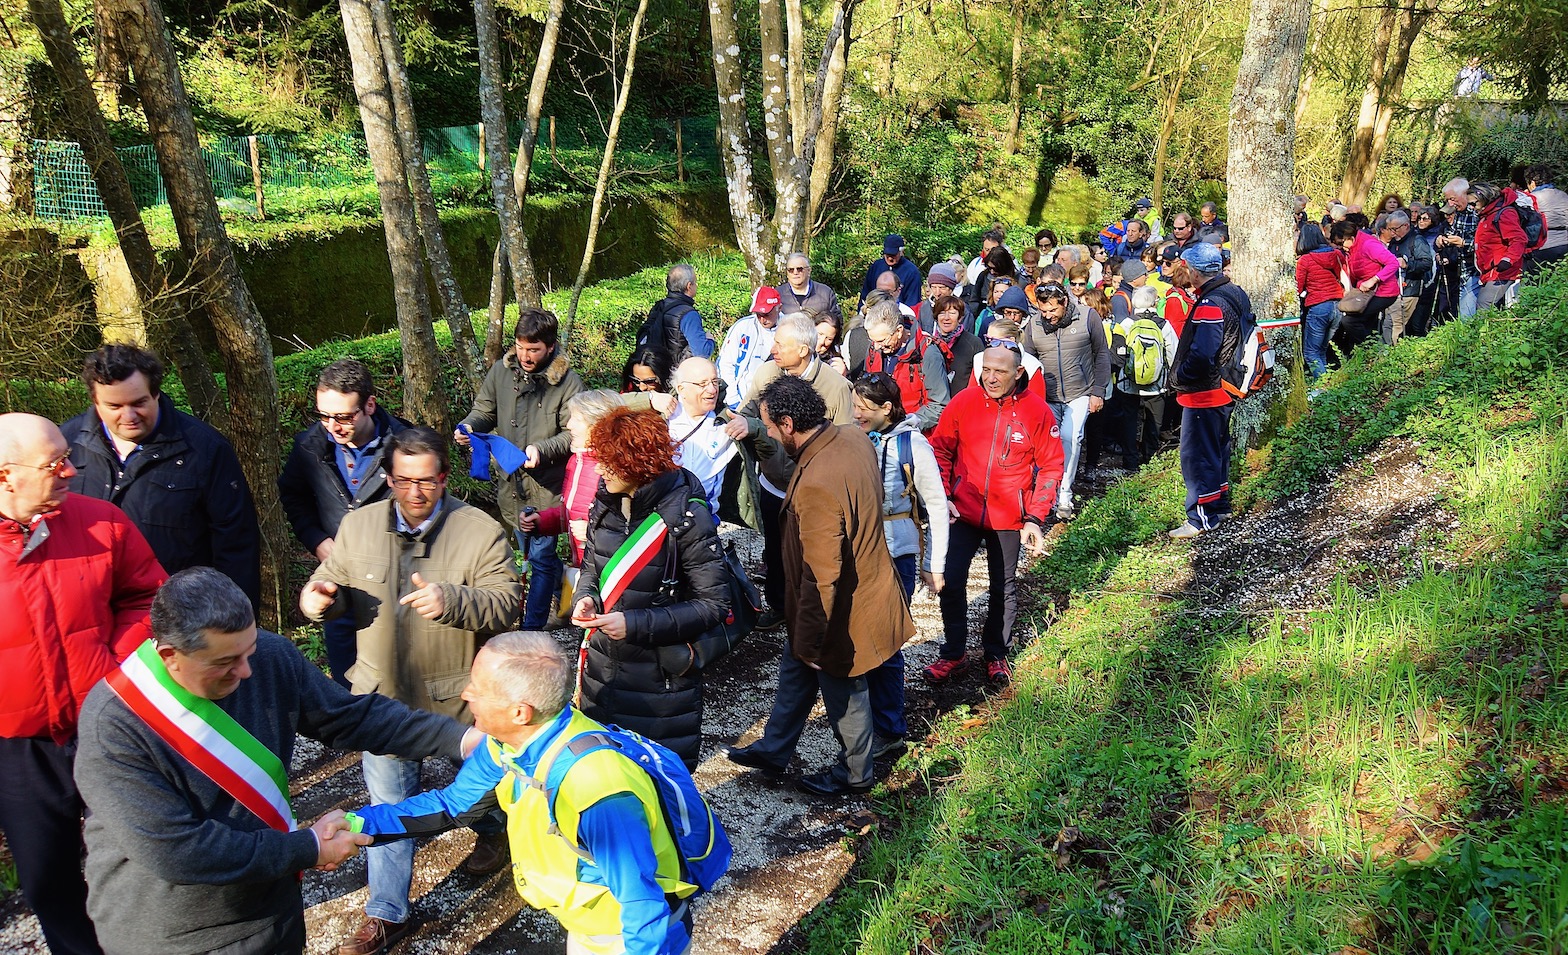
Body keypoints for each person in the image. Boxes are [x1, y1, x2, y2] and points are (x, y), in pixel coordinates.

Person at [75, 568, 478, 955]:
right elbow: (180, 850)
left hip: (272, 907)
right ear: (170, 655)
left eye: (249, 650)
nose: (247, 671)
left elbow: (350, 717)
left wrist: (459, 739)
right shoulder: (113, 725)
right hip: (174, 934)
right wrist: (306, 848)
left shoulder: (266, 656)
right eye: (225, 663)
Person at [300, 426, 522, 952]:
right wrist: (318, 599)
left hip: (456, 704)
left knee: (472, 796)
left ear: (444, 477)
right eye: (403, 481)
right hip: (383, 698)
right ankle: (387, 912)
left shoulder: (480, 530)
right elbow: (330, 580)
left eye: (427, 482)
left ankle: (491, 828)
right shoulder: (358, 527)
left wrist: (454, 599)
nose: (415, 493)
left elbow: (507, 604)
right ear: (389, 477)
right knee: (389, 802)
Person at [345, 631, 703, 955]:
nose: (465, 693)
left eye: (477, 688)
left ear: (520, 712)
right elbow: (453, 804)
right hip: (589, 925)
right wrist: (358, 824)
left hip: (628, 937)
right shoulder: (510, 743)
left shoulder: (598, 788)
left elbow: (642, 904)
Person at [0, 412, 165, 955]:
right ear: (7, 476)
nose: (72, 471)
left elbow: (148, 597)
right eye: (56, 464)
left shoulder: (102, 522)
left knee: (145, 853)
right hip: (19, 748)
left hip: (108, 725)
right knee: (48, 879)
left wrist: (109, 664)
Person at [726, 376, 913, 796]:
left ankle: (855, 773)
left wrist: (812, 639)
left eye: (771, 427)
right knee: (796, 670)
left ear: (789, 423)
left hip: (840, 608)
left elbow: (821, 574)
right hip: (864, 585)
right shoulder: (853, 437)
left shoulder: (815, 485)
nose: (770, 435)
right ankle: (774, 749)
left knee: (842, 685)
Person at [571, 408, 729, 768]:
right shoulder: (605, 504)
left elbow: (714, 604)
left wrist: (635, 624)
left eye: (608, 462)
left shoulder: (686, 517)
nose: (598, 470)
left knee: (657, 791)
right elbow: (592, 568)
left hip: (660, 687)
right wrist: (585, 598)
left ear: (635, 464)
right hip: (600, 672)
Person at [64, 344, 261, 612]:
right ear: (95, 401)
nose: (128, 416)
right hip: (90, 613)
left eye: (138, 403)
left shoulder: (205, 449)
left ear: (156, 393)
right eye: (114, 406)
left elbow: (236, 546)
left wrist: (235, 622)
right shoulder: (67, 445)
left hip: (179, 616)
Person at [926, 344, 1061, 686]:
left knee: (1003, 587)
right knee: (951, 580)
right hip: (963, 509)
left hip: (1009, 517)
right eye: (986, 369)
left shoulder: (1038, 412)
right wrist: (944, 496)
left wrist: (1034, 518)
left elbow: (1051, 466)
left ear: (1018, 373)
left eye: (1000, 371)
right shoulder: (964, 402)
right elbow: (940, 449)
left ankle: (996, 654)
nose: (991, 377)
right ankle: (954, 653)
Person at [278, 358, 407, 688]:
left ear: (370, 405)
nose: (332, 426)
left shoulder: (407, 444)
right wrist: (317, 540)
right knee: (346, 681)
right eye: (324, 416)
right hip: (339, 582)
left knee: (400, 681)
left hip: (395, 584)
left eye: (344, 417)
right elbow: (293, 496)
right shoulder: (309, 447)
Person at [456, 307, 584, 630]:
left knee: (539, 558)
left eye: (534, 350)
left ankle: (532, 629)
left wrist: (541, 451)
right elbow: (484, 410)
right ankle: (567, 593)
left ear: (550, 347)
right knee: (531, 550)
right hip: (511, 484)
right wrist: (469, 427)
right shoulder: (501, 372)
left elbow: (576, 433)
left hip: (548, 488)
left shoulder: (568, 384)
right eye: (521, 347)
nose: (526, 356)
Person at [724, 315, 853, 628]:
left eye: (781, 344)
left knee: (812, 551)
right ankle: (779, 605)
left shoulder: (834, 387)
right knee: (775, 550)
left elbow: (846, 440)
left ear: (804, 350)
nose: (773, 348)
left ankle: (814, 612)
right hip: (771, 482)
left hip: (811, 489)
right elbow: (748, 414)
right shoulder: (768, 372)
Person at [850, 373, 948, 758]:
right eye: (854, 405)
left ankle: (890, 728)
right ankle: (864, 720)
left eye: (863, 407)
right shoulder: (854, 437)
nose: (855, 413)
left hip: (894, 552)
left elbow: (936, 506)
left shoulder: (913, 445)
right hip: (857, 550)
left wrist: (933, 563)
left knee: (886, 639)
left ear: (886, 408)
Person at [1169, 243, 1248, 539]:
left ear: (1191, 270)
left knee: (1197, 455)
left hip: (1205, 391)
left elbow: (1203, 354)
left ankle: (1201, 517)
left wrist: (1180, 374)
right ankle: (1219, 505)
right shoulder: (1234, 292)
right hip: (1225, 386)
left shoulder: (1210, 304)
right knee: (1217, 449)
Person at [1021, 282, 1110, 521]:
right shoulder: (1034, 325)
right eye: (1043, 311)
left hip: (1079, 391)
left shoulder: (1088, 317)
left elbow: (1101, 353)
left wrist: (1098, 391)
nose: (1048, 316)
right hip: (1046, 396)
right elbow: (1027, 362)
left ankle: (1064, 495)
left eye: (1053, 310)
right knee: (1045, 447)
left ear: (1065, 302)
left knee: (1071, 438)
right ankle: (1045, 495)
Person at [855, 300, 951, 431]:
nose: (876, 346)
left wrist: (908, 424)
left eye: (882, 340)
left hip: (914, 434)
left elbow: (939, 404)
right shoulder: (875, 348)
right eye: (872, 340)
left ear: (899, 331)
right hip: (877, 431)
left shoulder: (928, 353)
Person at [1112, 285, 1178, 470]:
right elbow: (1173, 352)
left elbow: (1118, 354)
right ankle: (1149, 460)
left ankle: (1130, 462)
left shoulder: (1125, 324)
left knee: (1129, 421)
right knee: (1154, 423)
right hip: (1157, 383)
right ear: (1154, 303)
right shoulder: (1164, 325)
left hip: (1128, 383)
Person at [668, 357, 740, 516]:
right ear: (681, 389)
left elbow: (769, 442)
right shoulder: (661, 419)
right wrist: (649, 399)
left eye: (715, 382)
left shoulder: (726, 422)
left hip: (704, 518)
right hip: (663, 515)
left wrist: (752, 427)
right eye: (702, 384)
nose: (712, 390)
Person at [1331, 218, 1400, 351]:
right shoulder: (1351, 249)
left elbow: (1393, 263)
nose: (1342, 247)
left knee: (1351, 321)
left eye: (1342, 243)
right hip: (1366, 293)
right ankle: (1369, 357)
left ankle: (1374, 352)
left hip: (1384, 292)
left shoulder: (1368, 245)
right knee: (1367, 324)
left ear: (1350, 237)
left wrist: (1374, 279)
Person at [637, 263, 714, 371]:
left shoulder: (659, 306)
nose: (696, 286)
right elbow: (701, 353)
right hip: (676, 375)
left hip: (656, 371)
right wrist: (710, 340)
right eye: (695, 283)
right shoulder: (688, 314)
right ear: (689, 286)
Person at [1469, 181, 1529, 313]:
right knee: (1494, 308)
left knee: (1484, 305)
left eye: (1473, 203)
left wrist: (1508, 259)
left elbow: (1519, 239)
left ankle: (1484, 333)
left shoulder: (1504, 214)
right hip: (1490, 273)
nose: (1472, 208)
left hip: (1503, 272)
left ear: (1484, 198)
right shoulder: (1487, 215)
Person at [1296, 222, 1346, 378]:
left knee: (1310, 353)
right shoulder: (1337, 254)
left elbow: (1298, 286)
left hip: (1318, 307)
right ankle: (1327, 387)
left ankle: (1324, 388)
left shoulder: (1305, 260)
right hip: (1338, 305)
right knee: (1321, 350)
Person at [717, 286, 781, 409]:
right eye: (758, 314)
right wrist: (732, 399)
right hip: (741, 398)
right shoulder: (743, 327)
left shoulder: (789, 327)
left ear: (779, 308)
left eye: (767, 314)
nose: (762, 320)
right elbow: (725, 363)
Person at [1382, 209, 1434, 344]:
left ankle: (1389, 356)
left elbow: (1427, 263)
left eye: (1395, 229)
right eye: (1390, 229)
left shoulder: (1417, 240)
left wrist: (1407, 265)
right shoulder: (1395, 242)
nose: (1392, 233)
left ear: (1406, 226)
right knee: (1389, 323)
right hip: (1393, 290)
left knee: (1392, 324)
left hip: (1409, 290)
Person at [1436, 178, 1480, 319]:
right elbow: (1454, 235)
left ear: (1464, 194)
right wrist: (1443, 240)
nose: (1450, 204)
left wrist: (1464, 243)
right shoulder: (1459, 213)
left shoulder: (1478, 213)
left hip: (1476, 272)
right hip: (1460, 273)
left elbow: (1486, 244)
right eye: (1448, 200)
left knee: (1466, 317)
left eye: (1453, 199)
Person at [929, 293, 984, 393]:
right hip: (934, 404)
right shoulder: (929, 343)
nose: (946, 318)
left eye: (952, 313)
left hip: (963, 403)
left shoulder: (973, 343)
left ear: (960, 317)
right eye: (942, 313)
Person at [778, 252, 844, 328]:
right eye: (791, 270)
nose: (795, 272)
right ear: (787, 273)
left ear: (809, 271)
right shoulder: (778, 294)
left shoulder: (825, 293)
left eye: (799, 269)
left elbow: (837, 323)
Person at [860, 233, 923, 309]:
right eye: (887, 255)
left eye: (893, 255)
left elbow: (913, 303)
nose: (890, 258)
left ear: (901, 252)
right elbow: (865, 295)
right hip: (874, 314)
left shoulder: (911, 272)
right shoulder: (876, 267)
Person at [1525, 163, 1568, 272]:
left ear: (1532, 183)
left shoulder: (1530, 199)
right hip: (1564, 245)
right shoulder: (1563, 195)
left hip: (1541, 249)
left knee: (1535, 282)